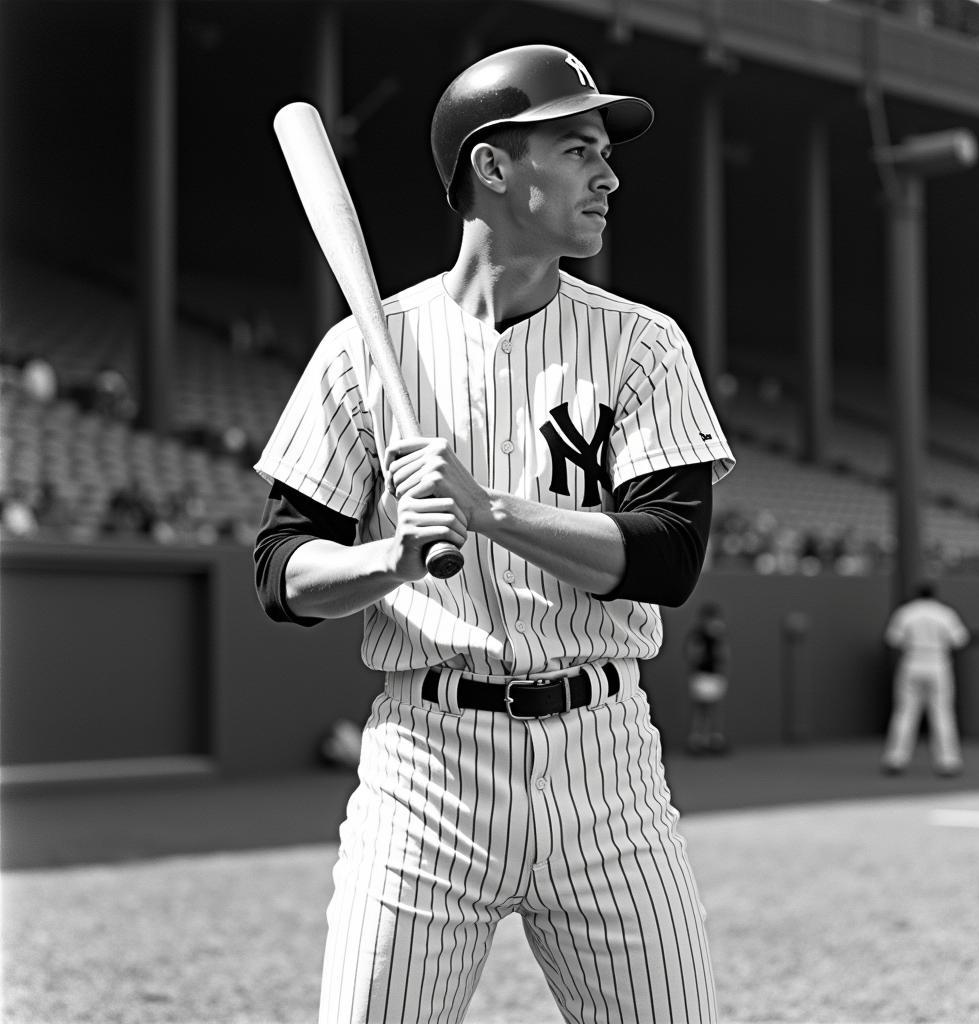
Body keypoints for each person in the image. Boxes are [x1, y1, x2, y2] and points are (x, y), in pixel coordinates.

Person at [254, 44, 734, 1024]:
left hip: (603, 765)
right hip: (426, 763)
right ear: (493, 166)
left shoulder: (642, 343)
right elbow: (280, 570)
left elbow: (668, 552)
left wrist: (488, 510)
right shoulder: (363, 349)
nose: (609, 173)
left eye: (606, 150)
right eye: (578, 146)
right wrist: (389, 556)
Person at [881, 581, 970, 777]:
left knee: (904, 712)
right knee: (942, 713)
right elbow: (960, 639)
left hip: (912, 661)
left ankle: (895, 759)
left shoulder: (906, 612)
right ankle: (948, 761)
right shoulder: (945, 612)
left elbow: (893, 639)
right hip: (937, 663)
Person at [684, 602, 731, 754]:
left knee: (714, 708)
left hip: (715, 675)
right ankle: (697, 741)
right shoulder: (697, 635)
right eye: (710, 618)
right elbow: (692, 655)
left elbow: (724, 655)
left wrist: (718, 641)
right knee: (700, 709)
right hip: (700, 675)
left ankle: (715, 740)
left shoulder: (719, 636)